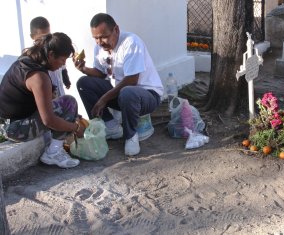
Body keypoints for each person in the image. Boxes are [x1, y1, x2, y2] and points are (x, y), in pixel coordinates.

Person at [74, 13, 163, 156]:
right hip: (122, 95)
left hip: (147, 95)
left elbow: (132, 80)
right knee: (84, 83)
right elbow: (101, 73)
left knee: (128, 91)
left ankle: (131, 136)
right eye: (95, 38)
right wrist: (83, 69)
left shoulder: (131, 42)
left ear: (116, 29)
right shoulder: (100, 47)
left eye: (103, 36)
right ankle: (111, 127)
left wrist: (104, 99)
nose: (99, 42)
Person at [0, 33, 85, 168]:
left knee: (66, 103)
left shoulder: (26, 60)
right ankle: (53, 153)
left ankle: (54, 149)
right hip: (14, 129)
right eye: (63, 60)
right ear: (51, 54)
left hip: (7, 123)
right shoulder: (38, 77)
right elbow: (49, 120)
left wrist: (70, 116)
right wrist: (76, 127)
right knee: (69, 102)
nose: (63, 64)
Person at [30, 16, 71, 98]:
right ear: (32, 37)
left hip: (60, 92)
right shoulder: (34, 57)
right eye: (41, 38)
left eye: (48, 36)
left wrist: (66, 80)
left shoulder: (55, 48)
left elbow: (63, 67)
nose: (45, 41)